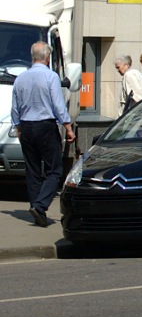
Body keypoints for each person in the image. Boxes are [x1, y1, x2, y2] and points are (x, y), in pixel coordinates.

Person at [11, 41, 74, 227]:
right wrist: (68, 126)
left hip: (27, 126)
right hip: (45, 126)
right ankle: (40, 206)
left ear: (33, 57)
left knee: (32, 170)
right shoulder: (51, 76)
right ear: (47, 58)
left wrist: (19, 128)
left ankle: (36, 207)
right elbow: (57, 104)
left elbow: (15, 108)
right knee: (54, 170)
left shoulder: (20, 78)